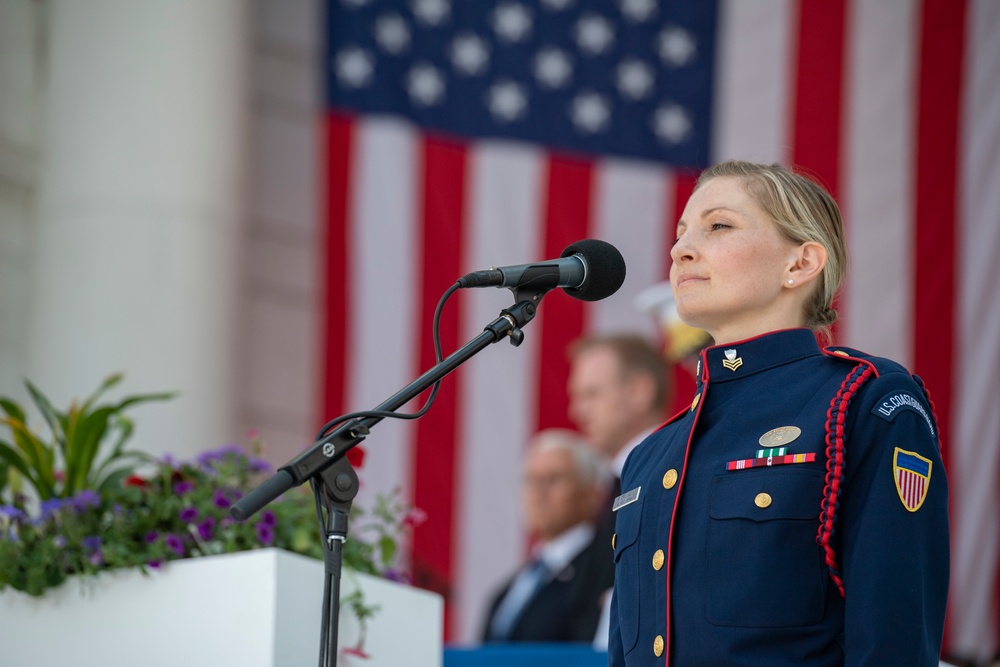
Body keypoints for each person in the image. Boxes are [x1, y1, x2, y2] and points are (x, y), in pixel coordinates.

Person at [608, 160, 949, 666]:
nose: (681, 248)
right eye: (681, 233)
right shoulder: (650, 456)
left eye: (718, 225)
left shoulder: (864, 401)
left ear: (800, 264)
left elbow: (892, 639)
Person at [566, 334, 670, 647]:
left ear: (640, 391)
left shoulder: (668, 475)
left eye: (592, 394)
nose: (577, 411)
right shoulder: (618, 482)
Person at [481, 428, 612, 643]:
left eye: (553, 479)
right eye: (530, 480)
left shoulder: (603, 572)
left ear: (593, 494)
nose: (538, 492)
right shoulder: (507, 589)